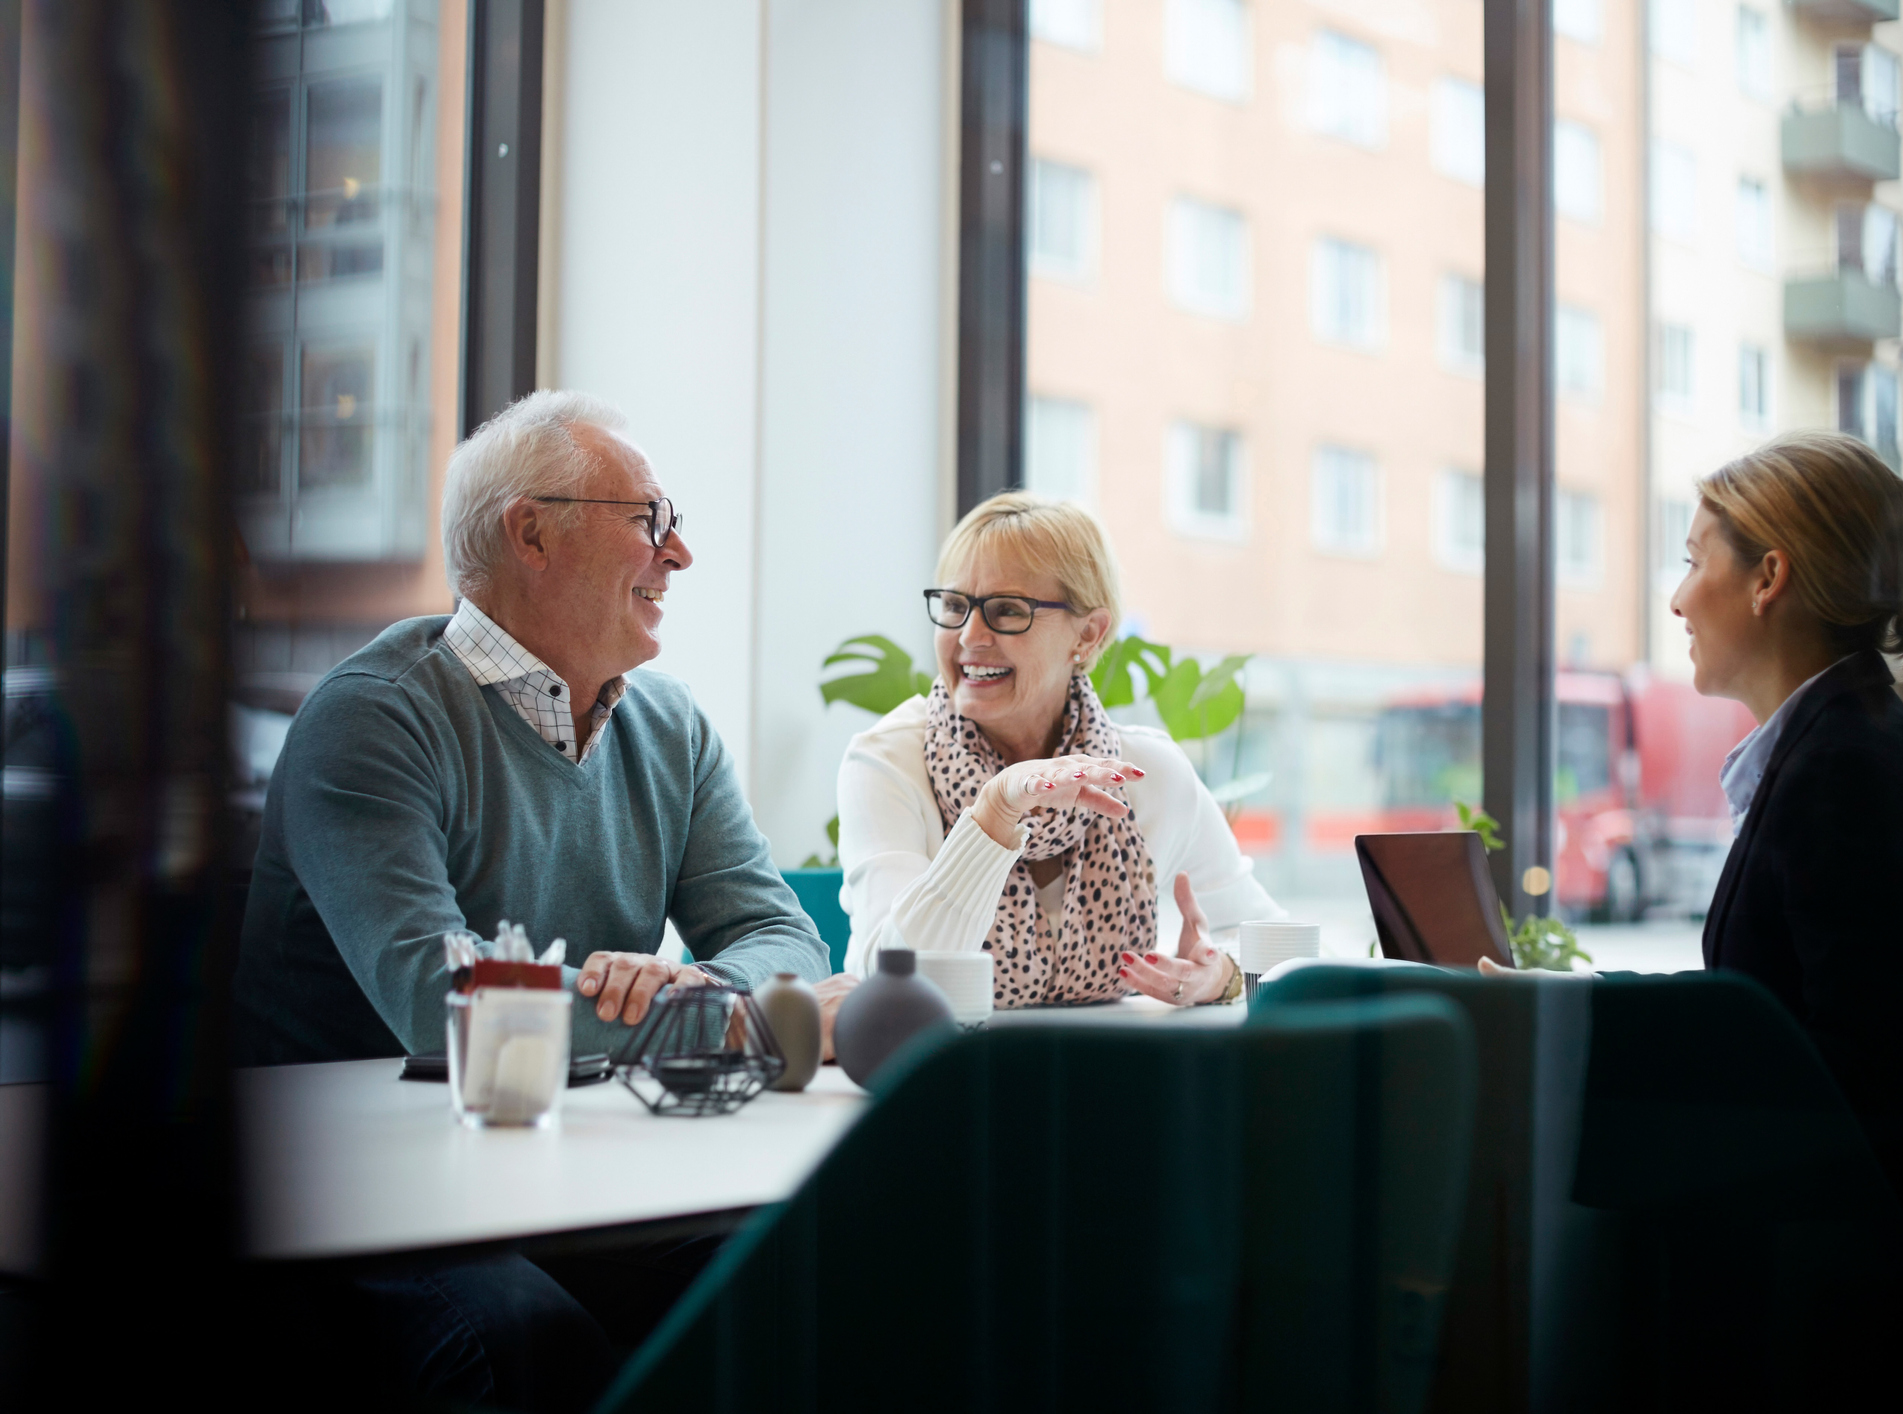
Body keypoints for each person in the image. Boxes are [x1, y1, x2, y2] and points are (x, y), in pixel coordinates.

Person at [232, 391, 830, 1411]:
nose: (678, 554)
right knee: (520, 1344)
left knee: (804, 1276)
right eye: (649, 519)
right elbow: (445, 1003)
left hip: (567, 1173)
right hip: (362, 1198)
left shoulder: (670, 725)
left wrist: (701, 988)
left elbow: (785, 940)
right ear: (531, 533)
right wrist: (706, 1014)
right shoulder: (372, 720)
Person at [1667, 429, 1903, 1243]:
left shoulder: (1842, 768)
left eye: (1692, 560)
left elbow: (1858, 1076)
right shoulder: (1856, 745)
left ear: (1767, 578)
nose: (1676, 599)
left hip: (1844, 1276)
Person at [835, 492, 1278, 1009]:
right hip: (940, 1076)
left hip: (1108, 1075)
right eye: (955, 606)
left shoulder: (1146, 773)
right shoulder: (888, 760)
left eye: (1006, 611)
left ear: (1088, 635)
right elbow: (893, 981)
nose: (969, 637)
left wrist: (1221, 974)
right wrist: (995, 814)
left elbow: (1283, 945)